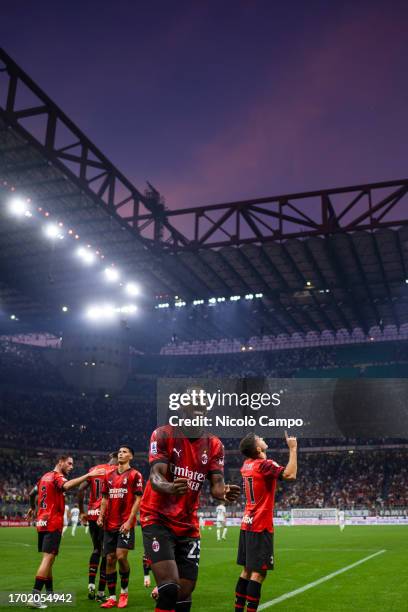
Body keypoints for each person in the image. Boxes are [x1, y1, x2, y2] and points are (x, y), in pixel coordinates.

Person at [140, 393, 240, 612]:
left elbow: (216, 484)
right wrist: (169, 486)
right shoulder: (163, 434)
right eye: (193, 402)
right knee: (169, 589)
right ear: (181, 407)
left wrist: (223, 492)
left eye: (203, 403)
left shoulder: (214, 445)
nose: (199, 406)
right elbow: (155, 475)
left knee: (184, 593)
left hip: (187, 524)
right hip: (157, 517)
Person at [26, 456, 105, 609]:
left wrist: (32, 507)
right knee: (48, 560)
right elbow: (66, 486)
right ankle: (35, 596)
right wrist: (87, 476)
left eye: (72, 464)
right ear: (59, 462)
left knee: (49, 560)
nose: (71, 467)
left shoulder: (44, 477)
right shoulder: (56, 477)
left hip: (41, 522)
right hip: (52, 523)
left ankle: (50, 594)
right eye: (69, 463)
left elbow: (31, 494)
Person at [234, 431, 297, 612]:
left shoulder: (246, 465)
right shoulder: (264, 465)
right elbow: (290, 475)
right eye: (259, 439)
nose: (263, 438)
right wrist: (293, 449)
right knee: (258, 573)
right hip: (260, 525)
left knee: (246, 570)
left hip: (247, 522)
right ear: (257, 448)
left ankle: (238, 609)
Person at [97, 446, 143, 609]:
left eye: (124, 452)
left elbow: (138, 500)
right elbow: (104, 499)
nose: (121, 454)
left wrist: (131, 521)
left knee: (121, 557)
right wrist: (101, 516)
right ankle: (112, 597)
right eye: (119, 452)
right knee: (109, 559)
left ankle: (124, 592)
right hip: (110, 523)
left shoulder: (135, 475)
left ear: (131, 456)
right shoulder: (108, 476)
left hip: (125, 523)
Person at [78, 453, 118, 602]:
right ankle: (101, 592)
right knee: (106, 554)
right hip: (106, 515)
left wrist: (82, 512)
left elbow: (81, 489)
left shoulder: (95, 469)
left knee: (96, 549)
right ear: (116, 457)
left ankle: (90, 584)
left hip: (92, 513)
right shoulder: (115, 471)